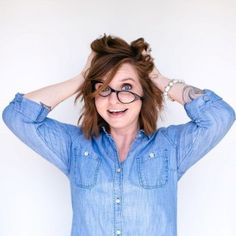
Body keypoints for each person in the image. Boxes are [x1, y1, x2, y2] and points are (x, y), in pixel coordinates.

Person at [2, 34, 235, 236]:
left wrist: (157, 79)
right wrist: (83, 76)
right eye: (103, 88)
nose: (114, 100)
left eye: (126, 87)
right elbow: (18, 115)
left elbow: (220, 116)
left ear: (144, 92)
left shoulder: (171, 147)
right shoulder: (75, 145)